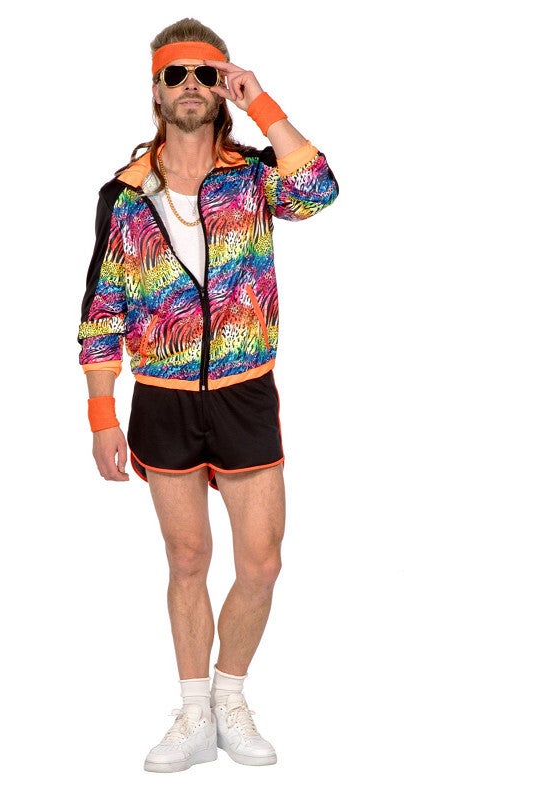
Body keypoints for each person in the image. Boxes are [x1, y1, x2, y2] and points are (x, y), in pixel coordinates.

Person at [77, 18, 338, 772]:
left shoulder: (252, 176)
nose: (190, 85)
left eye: (205, 73)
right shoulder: (125, 196)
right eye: (175, 74)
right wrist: (102, 414)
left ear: (221, 86)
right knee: (187, 558)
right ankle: (194, 713)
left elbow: (319, 190)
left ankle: (230, 695)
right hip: (162, 397)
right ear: (156, 90)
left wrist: (263, 104)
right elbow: (101, 311)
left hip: (244, 392)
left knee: (262, 563)